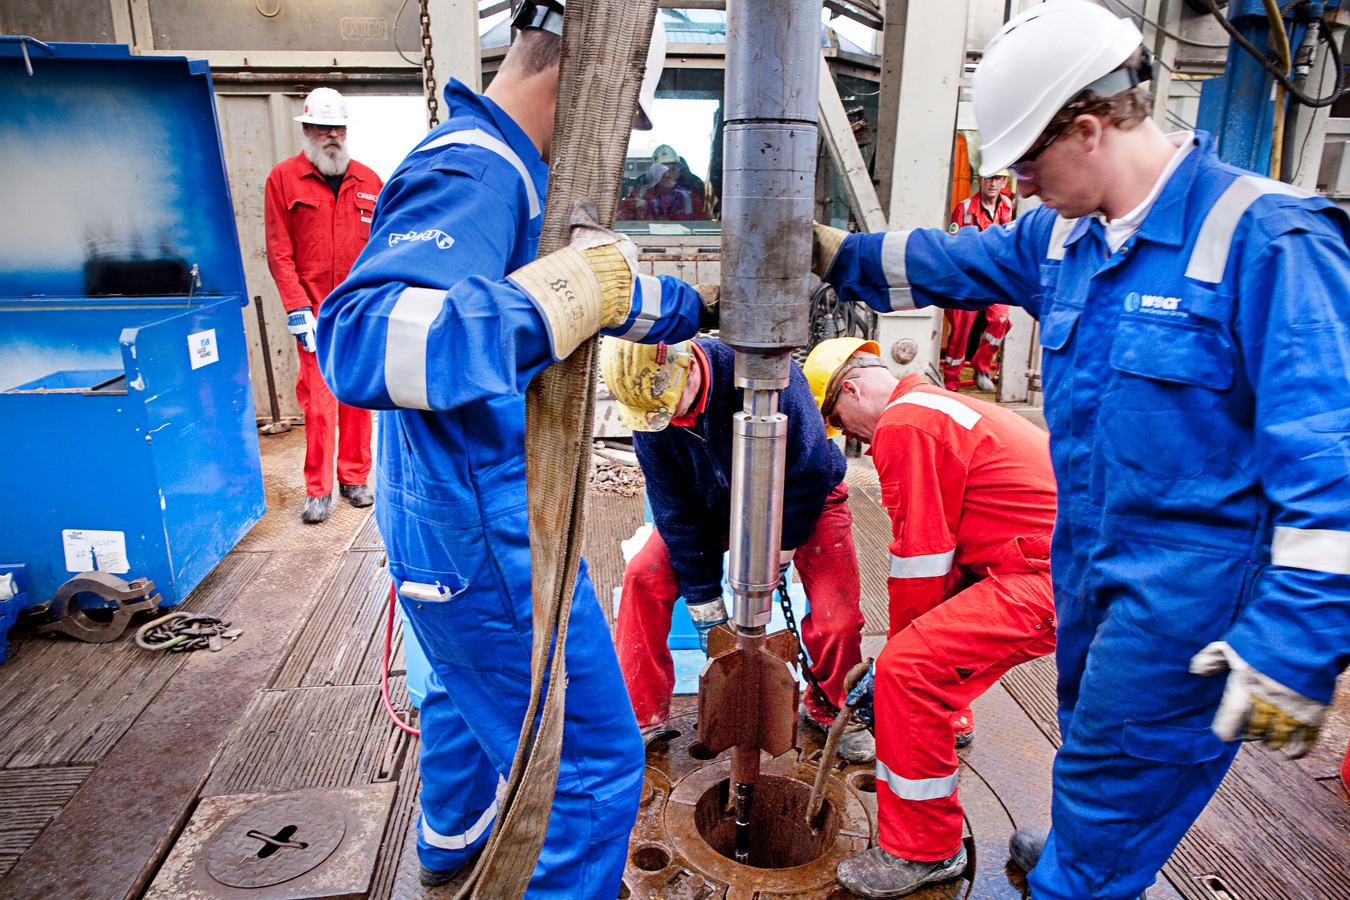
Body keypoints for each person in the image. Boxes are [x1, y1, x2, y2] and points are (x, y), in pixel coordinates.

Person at [812, 2, 1350, 898]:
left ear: (1091, 129)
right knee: (1090, 748)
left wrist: (1294, 646)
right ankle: (1081, 846)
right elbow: (943, 261)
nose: (1018, 184)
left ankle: (1081, 869)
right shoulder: (1071, 239)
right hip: (1085, 569)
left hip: (1186, 603)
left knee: (1111, 794)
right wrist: (832, 253)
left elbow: (1331, 467)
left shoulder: (1268, 242)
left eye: (1026, 161)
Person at [315, 3, 708, 894]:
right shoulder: (480, 169)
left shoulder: (492, 168)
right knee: (594, 769)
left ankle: (449, 846)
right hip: (491, 537)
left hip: (440, 528)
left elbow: (553, 294)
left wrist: (678, 305)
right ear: (576, 80)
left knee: (457, 687)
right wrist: (557, 300)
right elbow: (361, 337)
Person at [800, 338, 1057, 898]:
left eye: (838, 420)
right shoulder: (942, 408)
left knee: (909, 673)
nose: (849, 438)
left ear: (852, 387)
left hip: (1042, 573)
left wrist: (893, 659)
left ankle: (923, 850)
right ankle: (950, 718)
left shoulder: (906, 425)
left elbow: (920, 561)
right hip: (1052, 563)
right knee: (923, 661)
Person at [602, 336, 872, 763]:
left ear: (690, 368)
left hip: (806, 498)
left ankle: (834, 707)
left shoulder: (771, 377)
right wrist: (707, 608)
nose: (667, 418)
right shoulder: (651, 408)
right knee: (643, 576)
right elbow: (675, 510)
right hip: (713, 504)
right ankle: (641, 715)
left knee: (835, 616)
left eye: (672, 406)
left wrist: (779, 552)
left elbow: (811, 471)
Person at [264, 87, 381, 524]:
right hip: (314, 312)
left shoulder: (370, 182)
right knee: (318, 403)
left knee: (358, 398)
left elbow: (381, 250)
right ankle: (319, 489)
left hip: (357, 311)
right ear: (307, 130)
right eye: (322, 127)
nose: (331, 135)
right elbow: (279, 251)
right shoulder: (283, 179)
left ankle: (355, 478)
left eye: (338, 128)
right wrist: (297, 309)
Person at [942, 171, 1014, 393]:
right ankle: (951, 382)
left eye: (999, 179)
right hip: (967, 278)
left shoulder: (1007, 206)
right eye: (989, 178)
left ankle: (982, 368)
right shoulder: (963, 209)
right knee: (962, 330)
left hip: (992, 277)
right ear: (980, 181)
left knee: (1001, 319)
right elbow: (952, 246)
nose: (994, 183)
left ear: (1004, 182)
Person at [652, 143, 707, 212]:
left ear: (678, 173)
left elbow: (701, 221)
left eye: (671, 170)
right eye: (661, 170)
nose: (667, 175)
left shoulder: (692, 200)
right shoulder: (640, 197)